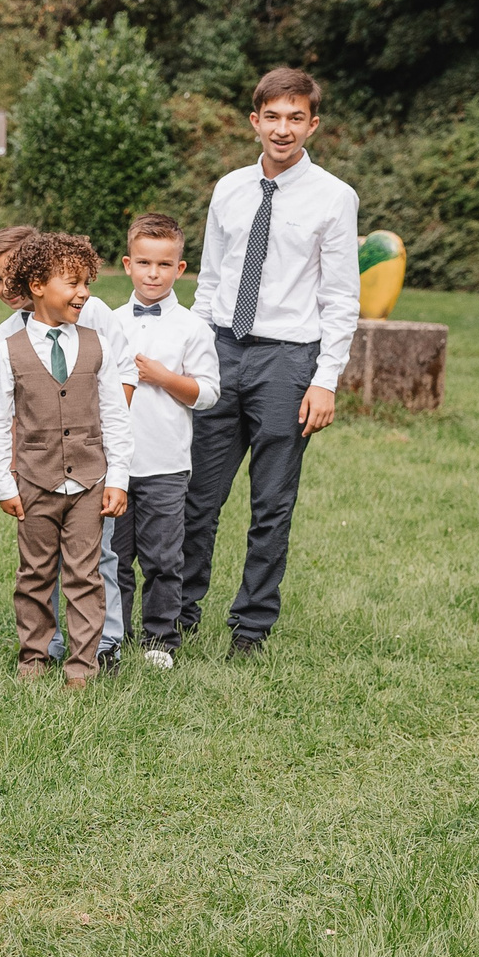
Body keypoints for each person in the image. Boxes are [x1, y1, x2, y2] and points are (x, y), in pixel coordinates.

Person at [178, 68, 360, 656]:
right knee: (197, 497)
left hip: (288, 361)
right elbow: (209, 281)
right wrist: (194, 350)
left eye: (296, 118)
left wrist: (325, 380)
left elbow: (340, 298)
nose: (283, 129)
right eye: (272, 117)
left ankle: (250, 628)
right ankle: (177, 615)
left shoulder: (334, 198)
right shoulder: (228, 189)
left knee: (271, 503)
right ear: (255, 121)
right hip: (221, 350)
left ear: (313, 124)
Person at [0, 231, 133, 689]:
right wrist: (4, 484)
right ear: (38, 285)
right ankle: (34, 658)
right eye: (73, 283)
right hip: (34, 482)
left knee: (86, 575)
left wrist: (118, 478)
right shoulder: (7, 346)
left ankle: (82, 668)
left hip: (89, 481)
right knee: (35, 574)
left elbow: (115, 417)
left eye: (86, 282)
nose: (84, 292)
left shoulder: (96, 342)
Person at [115, 212, 219, 668]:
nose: (152, 273)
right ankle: (110, 637)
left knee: (162, 558)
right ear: (127, 265)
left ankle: (160, 639)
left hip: (166, 465)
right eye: (143, 263)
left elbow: (209, 393)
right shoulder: (108, 321)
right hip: (114, 465)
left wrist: (163, 377)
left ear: (180, 269)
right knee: (113, 559)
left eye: (163, 265)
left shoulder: (193, 328)